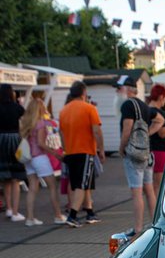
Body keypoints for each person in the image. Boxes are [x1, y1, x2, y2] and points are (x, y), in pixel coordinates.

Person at [117, 75, 163, 234]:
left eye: (119, 89)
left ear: (127, 90)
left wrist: (121, 147)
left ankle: (137, 229)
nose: (117, 92)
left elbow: (127, 128)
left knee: (136, 192)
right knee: (149, 189)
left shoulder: (127, 105)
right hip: (147, 153)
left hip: (134, 155)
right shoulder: (144, 105)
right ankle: (156, 223)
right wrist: (147, 135)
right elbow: (160, 120)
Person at [59, 81, 105, 227]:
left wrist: (65, 149)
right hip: (85, 150)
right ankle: (72, 215)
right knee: (82, 184)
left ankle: (90, 212)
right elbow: (96, 130)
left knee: (83, 183)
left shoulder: (64, 111)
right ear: (83, 93)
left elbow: (61, 133)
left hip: (71, 151)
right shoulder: (89, 108)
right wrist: (101, 149)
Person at [19, 97, 67, 226]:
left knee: (32, 187)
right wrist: (55, 154)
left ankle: (29, 218)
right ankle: (58, 215)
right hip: (40, 157)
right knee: (52, 186)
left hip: (28, 159)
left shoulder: (25, 122)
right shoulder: (40, 123)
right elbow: (41, 143)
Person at [0, 83, 26, 221]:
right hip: (14, 140)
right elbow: (25, 119)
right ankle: (16, 213)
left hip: (1, 141)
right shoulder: (17, 107)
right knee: (16, 177)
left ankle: (8, 209)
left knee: (5, 178)